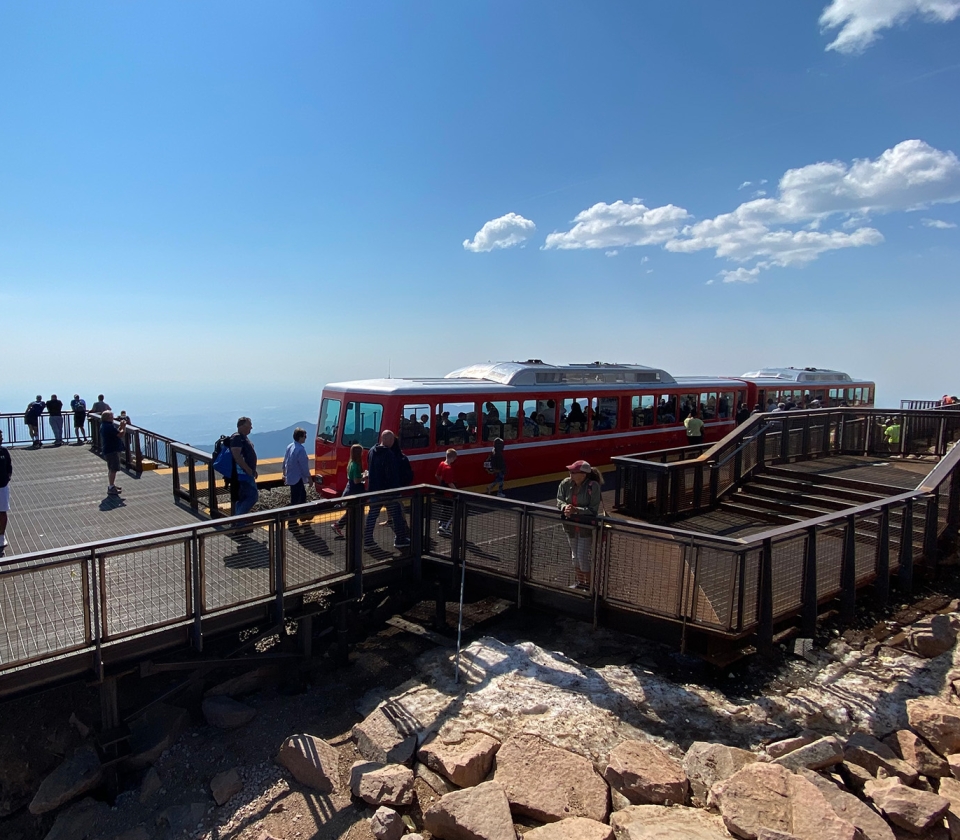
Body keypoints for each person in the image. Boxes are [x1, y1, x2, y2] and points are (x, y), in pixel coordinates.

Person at [556, 460, 603, 590]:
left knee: (582, 556)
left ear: (583, 474)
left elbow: (593, 510)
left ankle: (590, 585)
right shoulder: (565, 484)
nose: (570, 473)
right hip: (570, 526)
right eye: (570, 470)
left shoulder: (593, 486)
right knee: (575, 556)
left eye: (574, 471)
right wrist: (565, 506)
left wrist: (576, 510)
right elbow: (559, 500)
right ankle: (581, 582)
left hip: (585, 527)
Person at [364, 430, 411, 548]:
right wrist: (396, 488)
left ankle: (367, 540)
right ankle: (400, 539)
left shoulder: (371, 451)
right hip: (388, 492)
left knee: (372, 515)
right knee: (397, 515)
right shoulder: (389, 454)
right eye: (392, 440)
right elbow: (391, 474)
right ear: (389, 440)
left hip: (374, 489)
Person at [332, 443, 365, 538]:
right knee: (356, 510)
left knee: (351, 510)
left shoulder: (351, 463)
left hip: (349, 489)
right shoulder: (356, 465)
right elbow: (356, 480)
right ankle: (342, 526)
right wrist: (364, 477)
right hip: (355, 490)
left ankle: (338, 525)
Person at [230, 417, 259, 515]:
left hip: (245, 473)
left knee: (242, 499)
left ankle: (238, 522)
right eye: (249, 426)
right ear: (241, 426)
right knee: (252, 497)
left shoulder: (242, 437)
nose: (251, 428)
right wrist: (247, 469)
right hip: (243, 475)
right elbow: (237, 456)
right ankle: (239, 522)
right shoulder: (237, 438)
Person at [100, 410, 127, 496]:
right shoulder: (108, 426)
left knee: (111, 468)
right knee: (113, 469)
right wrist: (123, 427)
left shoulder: (105, 425)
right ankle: (111, 487)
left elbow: (115, 433)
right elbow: (120, 434)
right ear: (108, 418)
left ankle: (112, 485)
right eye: (112, 416)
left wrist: (120, 427)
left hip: (108, 449)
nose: (113, 418)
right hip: (112, 450)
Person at [282, 427, 311, 508]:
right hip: (298, 477)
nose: (305, 438)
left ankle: (303, 513)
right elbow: (304, 466)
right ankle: (293, 518)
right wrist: (309, 478)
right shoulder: (301, 450)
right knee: (297, 499)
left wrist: (284, 473)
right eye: (304, 436)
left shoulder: (290, 446)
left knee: (300, 496)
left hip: (291, 476)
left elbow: (285, 461)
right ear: (300, 437)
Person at [435, 448, 458, 537]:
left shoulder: (441, 464)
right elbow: (450, 483)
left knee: (444, 509)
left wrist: (442, 482)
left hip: (442, 491)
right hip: (448, 493)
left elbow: (437, 475)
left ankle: (441, 524)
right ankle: (445, 527)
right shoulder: (448, 468)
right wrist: (457, 491)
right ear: (452, 458)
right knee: (452, 511)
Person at [0, 430, 11, 557]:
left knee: (2, 513)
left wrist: (8, 477)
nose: (1, 439)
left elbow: (9, 465)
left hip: (2, 486)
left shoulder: (4, 451)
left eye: (1, 437)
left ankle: (1, 537)